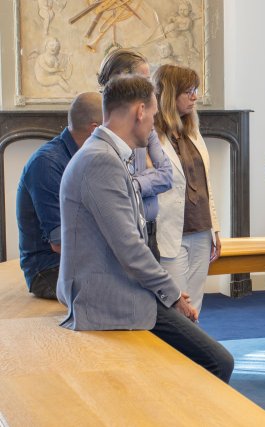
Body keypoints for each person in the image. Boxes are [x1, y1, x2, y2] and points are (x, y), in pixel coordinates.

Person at [56, 75, 233, 382]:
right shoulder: (101, 161)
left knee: (199, 356)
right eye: (152, 115)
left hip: (118, 288)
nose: (154, 124)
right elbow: (130, 249)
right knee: (218, 361)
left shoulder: (104, 154)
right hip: (109, 299)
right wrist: (174, 295)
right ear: (140, 111)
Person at [16, 92, 102, 299]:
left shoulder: (84, 156)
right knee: (125, 292)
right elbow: (60, 243)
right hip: (48, 270)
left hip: (74, 262)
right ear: (95, 129)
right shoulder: (47, 163)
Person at [153, 64, 222, 313]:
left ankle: (192, 354)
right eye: (188, 91)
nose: (195, 96)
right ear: (170, 95)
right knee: (178, 307)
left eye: (196, 90)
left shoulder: (193, 132)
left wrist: (215, 228)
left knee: (196, 306)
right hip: (172, 231)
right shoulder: (151, 136)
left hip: (201, 229)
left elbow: (206, 184)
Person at [98, 48, 173, 260]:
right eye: (144, 79)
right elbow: (110, 183)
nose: (151, 88)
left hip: (149, 230)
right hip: (120, 234)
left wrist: (134, 184)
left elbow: (167, 175)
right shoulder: (98, 121)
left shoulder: (145, 119)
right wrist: (147, 174)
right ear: (121, 78)